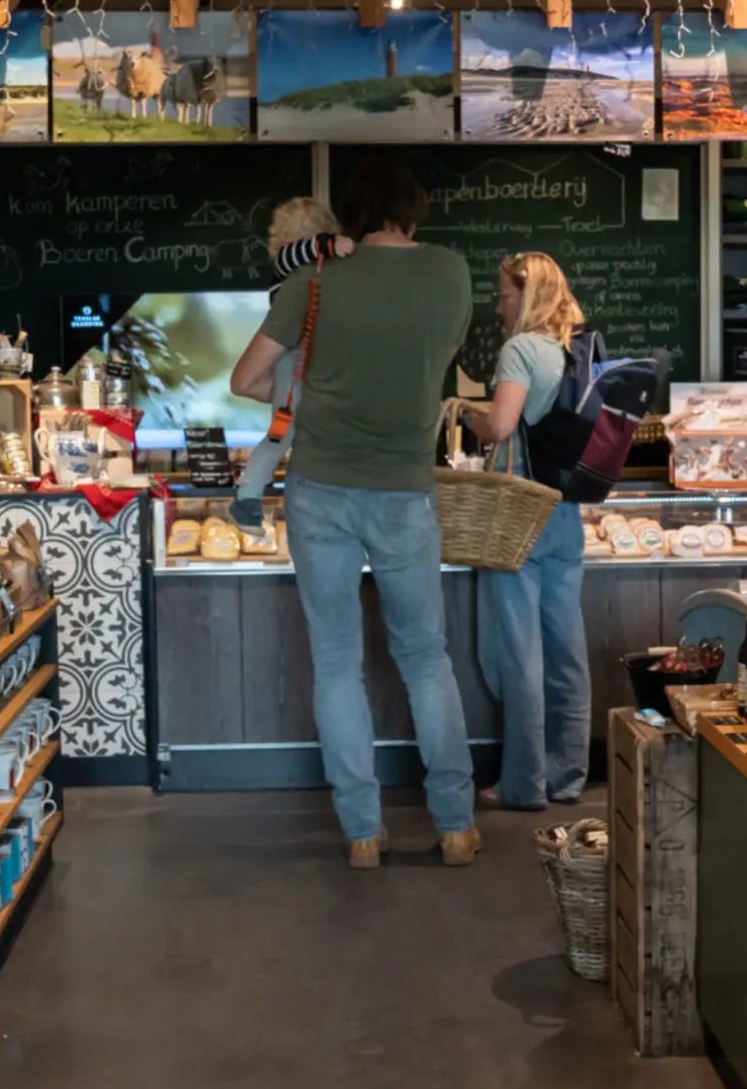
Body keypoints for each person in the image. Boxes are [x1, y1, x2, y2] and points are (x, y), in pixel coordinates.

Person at [231, 160, 478, 870]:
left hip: (321, 488)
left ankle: (363, 833)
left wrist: (316, 397)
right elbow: (436, 360)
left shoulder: (316, 282)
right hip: (406, 489)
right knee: (426, 661)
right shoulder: (451, 273)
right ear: (413, 208)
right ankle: (456, 825)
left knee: (337, 665)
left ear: (351, 218)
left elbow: (245, 378)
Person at [462, 253, 591, 810]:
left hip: (519, 512)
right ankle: (569, 775)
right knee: (568, 652)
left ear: (527, 295)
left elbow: (502, 425)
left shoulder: (519, 349)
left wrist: (469, 415)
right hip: (566, 510)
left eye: (505, 296)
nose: (498, 306)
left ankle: (523, 783)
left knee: (519, 653)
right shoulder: (575, 349)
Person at [233, 199, 352, 529]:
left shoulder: (317, 272)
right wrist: (329, 244)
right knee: (281, 432)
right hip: (292, 359)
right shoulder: (289, 265)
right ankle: (248, 495)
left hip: (307, 362)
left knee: (288, 431)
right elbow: (300, 252)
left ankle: (251, 493)